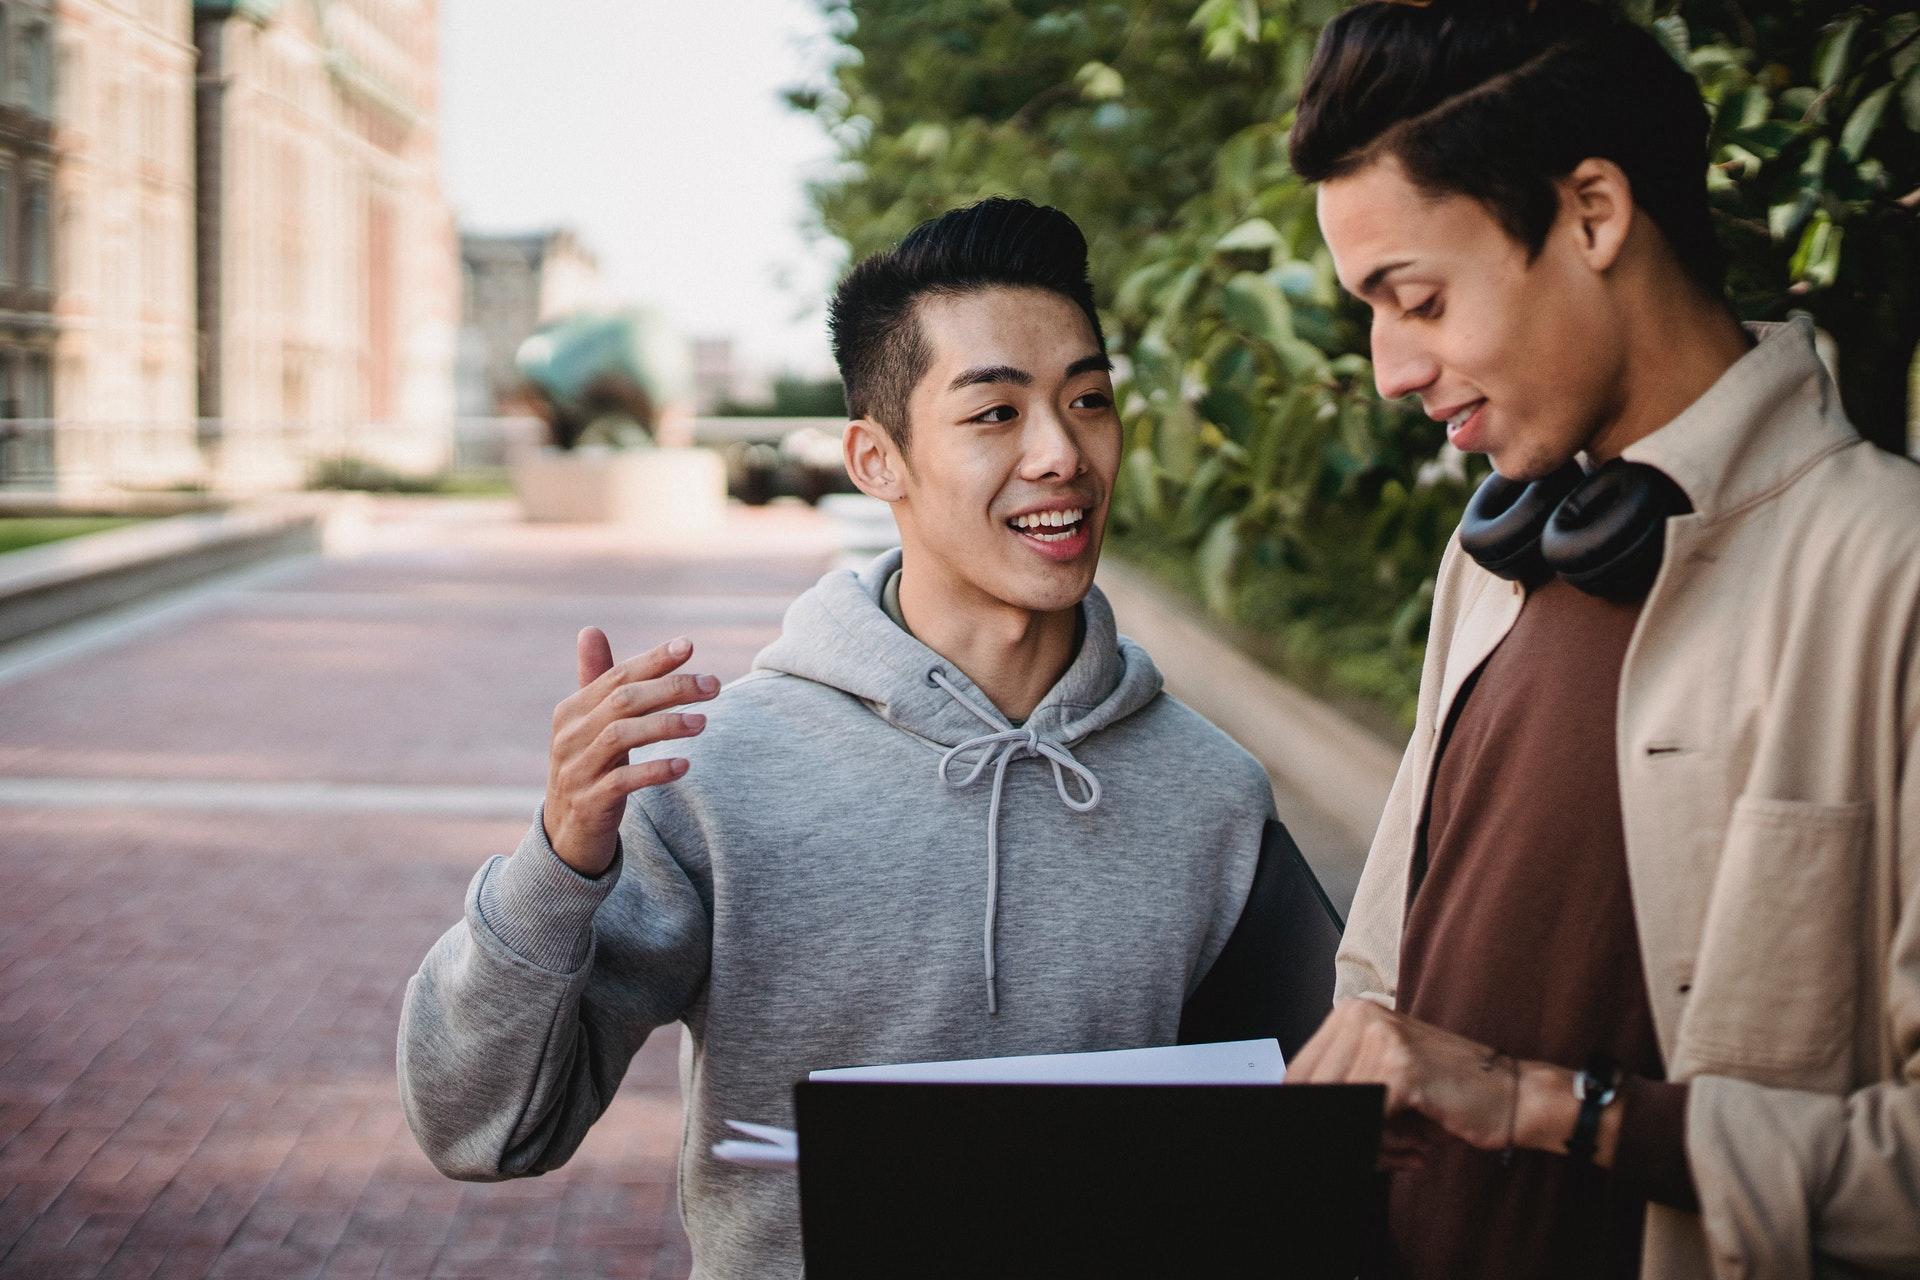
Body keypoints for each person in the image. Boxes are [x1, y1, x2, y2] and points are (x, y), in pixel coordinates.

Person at [397, 197, 1278, 1279]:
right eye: (994, 413)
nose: (1062, 452)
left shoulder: (1215, 793)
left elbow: (1287, 1149)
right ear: (876, 458)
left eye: (1088, 399)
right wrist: (558, 859)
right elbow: (481, 1128)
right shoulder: (715, 772)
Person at [1280, 2, 1920, 1277]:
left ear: (1592, 214)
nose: (1388, 368)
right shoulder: (1497, 550)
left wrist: (1543, 1103)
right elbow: (1384, 988)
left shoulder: (1888, 573)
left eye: (1414, 297)